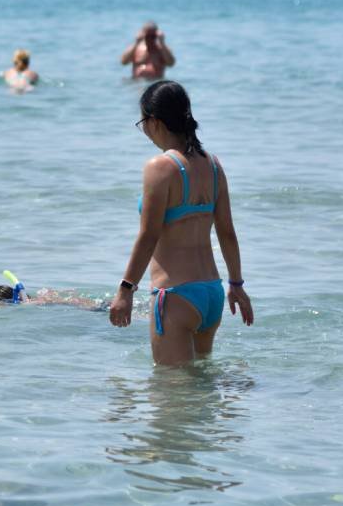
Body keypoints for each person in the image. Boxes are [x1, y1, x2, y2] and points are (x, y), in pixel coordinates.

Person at [108, 80, 253, 365]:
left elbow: (148, 236)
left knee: (170, 388)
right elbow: (227, 232)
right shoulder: (213, 165)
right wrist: (236, 284)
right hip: (211, 292)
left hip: (176, 295)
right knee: (201, 384)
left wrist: (125, 290)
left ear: (155, 121)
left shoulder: (160, 167)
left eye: (142, 123)